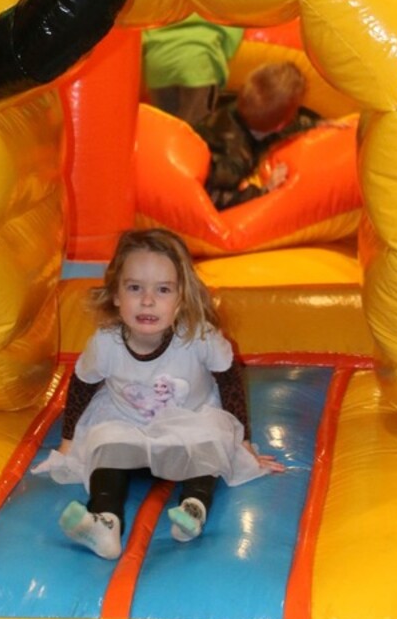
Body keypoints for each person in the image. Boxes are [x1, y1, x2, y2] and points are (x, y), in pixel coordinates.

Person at [33, 226, 281, 560]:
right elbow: (82, 384)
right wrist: (68, 442)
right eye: (134, 287)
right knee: (105, 442)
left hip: (186, 425)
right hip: (128, 427)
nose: (147, 300)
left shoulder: (199, 337)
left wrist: (244, 442)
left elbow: (228, 379)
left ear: (181, 299)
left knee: (211, 439)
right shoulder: (106, 343)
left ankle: (193, 508)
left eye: (163, 290)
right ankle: (105, 523)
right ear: (116, 295)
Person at [196, 60, 321, 210]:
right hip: (202, 182)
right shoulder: (236, 158)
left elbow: (283, 127)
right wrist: (265, 191)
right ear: (280, 125)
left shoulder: (239, 107)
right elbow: (212, 197)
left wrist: (316, 124)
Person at [141, 18, 245, 128]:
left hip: (159, 60)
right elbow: (234, 30)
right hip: (197, 63)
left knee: (165, 127)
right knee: (195, 129)